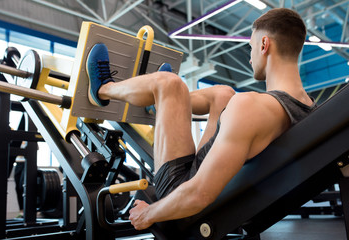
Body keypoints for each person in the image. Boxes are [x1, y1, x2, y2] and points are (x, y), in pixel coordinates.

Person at [86, 8, 316, 230]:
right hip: (220, 187)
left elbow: (199, 194)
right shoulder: (308, 108)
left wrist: (149, 213)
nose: (250, 58)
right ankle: (162, 104)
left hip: (185, 194)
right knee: (223, 94)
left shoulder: (251, 107)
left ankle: (104, 89)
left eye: (251, 48)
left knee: (169, 82)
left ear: (264, 45)